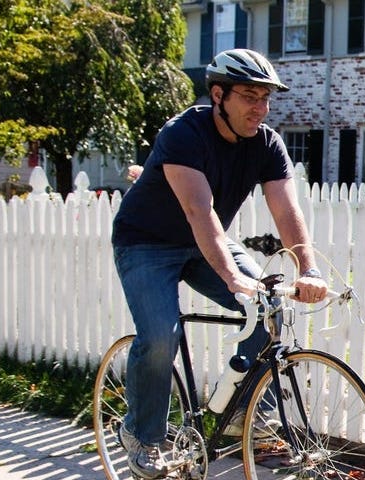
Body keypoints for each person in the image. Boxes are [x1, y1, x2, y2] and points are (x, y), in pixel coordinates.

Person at [110, 48, 328, 479]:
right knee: (159, 337)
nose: (260, 108)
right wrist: (232, 278)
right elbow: (199, 211)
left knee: (269, 310)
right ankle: (143, 434)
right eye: (249, 96)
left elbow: (287, 211)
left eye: (266, 99)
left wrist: (309, 268)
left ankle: (244, 418)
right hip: (146, 243)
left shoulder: (267, 143)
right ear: (218, 95)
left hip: (204, 244)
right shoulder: (183, 135)